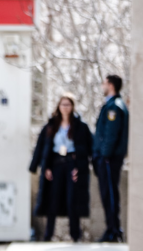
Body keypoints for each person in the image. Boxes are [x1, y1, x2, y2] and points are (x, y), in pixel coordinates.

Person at [30, 95, 93, 242]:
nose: (65, 107)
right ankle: (48, 235)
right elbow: (42, 147)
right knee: (53, 199)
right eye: (62, 104)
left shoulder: (80, 126)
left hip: (72, 164)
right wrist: (44, 167)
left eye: (68, 104)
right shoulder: (51, 125)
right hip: (56, 165)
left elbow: (87, 149)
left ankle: (75, 236)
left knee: (73, 200)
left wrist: (80, 168)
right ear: (58, 106)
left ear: (72, 107)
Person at [93, 74, 128, 242]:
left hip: (109, 158)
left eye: (104, 83)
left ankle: (113, 230)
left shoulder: (114, 107)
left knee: (110, 194)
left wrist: (104, 155)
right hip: (108, 157)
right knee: (108, 194)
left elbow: (111, 134)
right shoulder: (112, 105)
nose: (102, 86)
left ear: (111, 85)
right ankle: (112, 228)